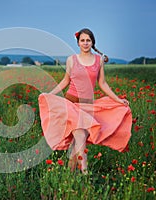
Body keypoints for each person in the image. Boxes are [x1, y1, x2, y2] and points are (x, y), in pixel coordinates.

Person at [38, 28, 132, 174]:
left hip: (88, 105)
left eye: (88, 40)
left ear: (92, 42)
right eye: (82, 40)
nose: (85, 43)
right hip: (71, 103)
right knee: (80, 136)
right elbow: (65, 81)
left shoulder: (99, 60)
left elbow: (103, 84)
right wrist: (49, 94)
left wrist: (118, 100)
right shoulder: (71, 60)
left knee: (76, 144)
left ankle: (69, 177)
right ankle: (85, 173)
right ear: (78, 43)